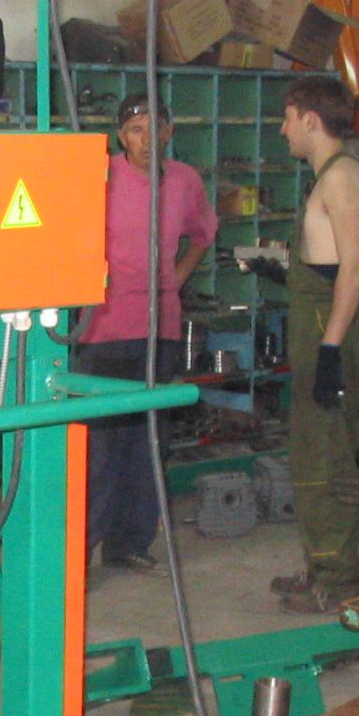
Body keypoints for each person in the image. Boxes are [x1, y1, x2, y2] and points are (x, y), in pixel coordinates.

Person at [76, 91, 217, 575]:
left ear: (168, 132)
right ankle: (81, 552)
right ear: (121, 136)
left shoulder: (184, 181)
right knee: (100, 448)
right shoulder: (101, 175)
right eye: (135, 130)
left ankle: (129, 542)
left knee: (147, 442)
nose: (146, 139)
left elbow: (203, 234)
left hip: (160, 327)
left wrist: (177, 277)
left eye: (155, 128)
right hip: (105, 327)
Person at [271, 75, 359, 614]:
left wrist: (331, 348)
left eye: (288, 118)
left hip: (329, 328)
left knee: (326, 458)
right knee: (314, 451)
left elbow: (357, 270)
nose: (283, 129)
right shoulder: (337, 175)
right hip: (323, 319)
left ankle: (339, 581)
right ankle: (321, 566)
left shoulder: (340, 179)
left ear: (310, 120)